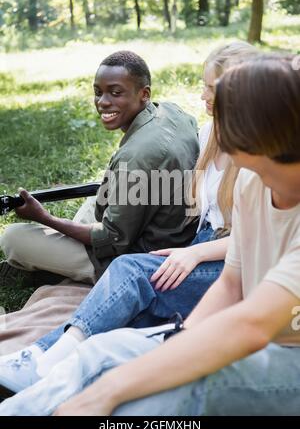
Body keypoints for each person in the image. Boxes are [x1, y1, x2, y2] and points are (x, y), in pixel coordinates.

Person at [0, 52, 299, 416]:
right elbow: (231, 284)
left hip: (287, 356)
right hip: (244, 328)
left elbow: (250, 325)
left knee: (145, 398)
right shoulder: (251, 182)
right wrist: (176, 341)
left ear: (262, 128)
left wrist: (110, 390)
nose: (209, 106)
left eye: (223, 105)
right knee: (100, 352)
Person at [0, 50, 199, 285]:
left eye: (115, 93)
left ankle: (56, 270)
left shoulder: (138, 156)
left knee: (13, 238)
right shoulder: (172, 112)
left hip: (139, 258)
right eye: (98, 92)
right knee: (96, 198)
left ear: (144, 94)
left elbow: (112, 239)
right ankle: (52, 260)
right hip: (170, 226)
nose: (103, 102)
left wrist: (43, 217)